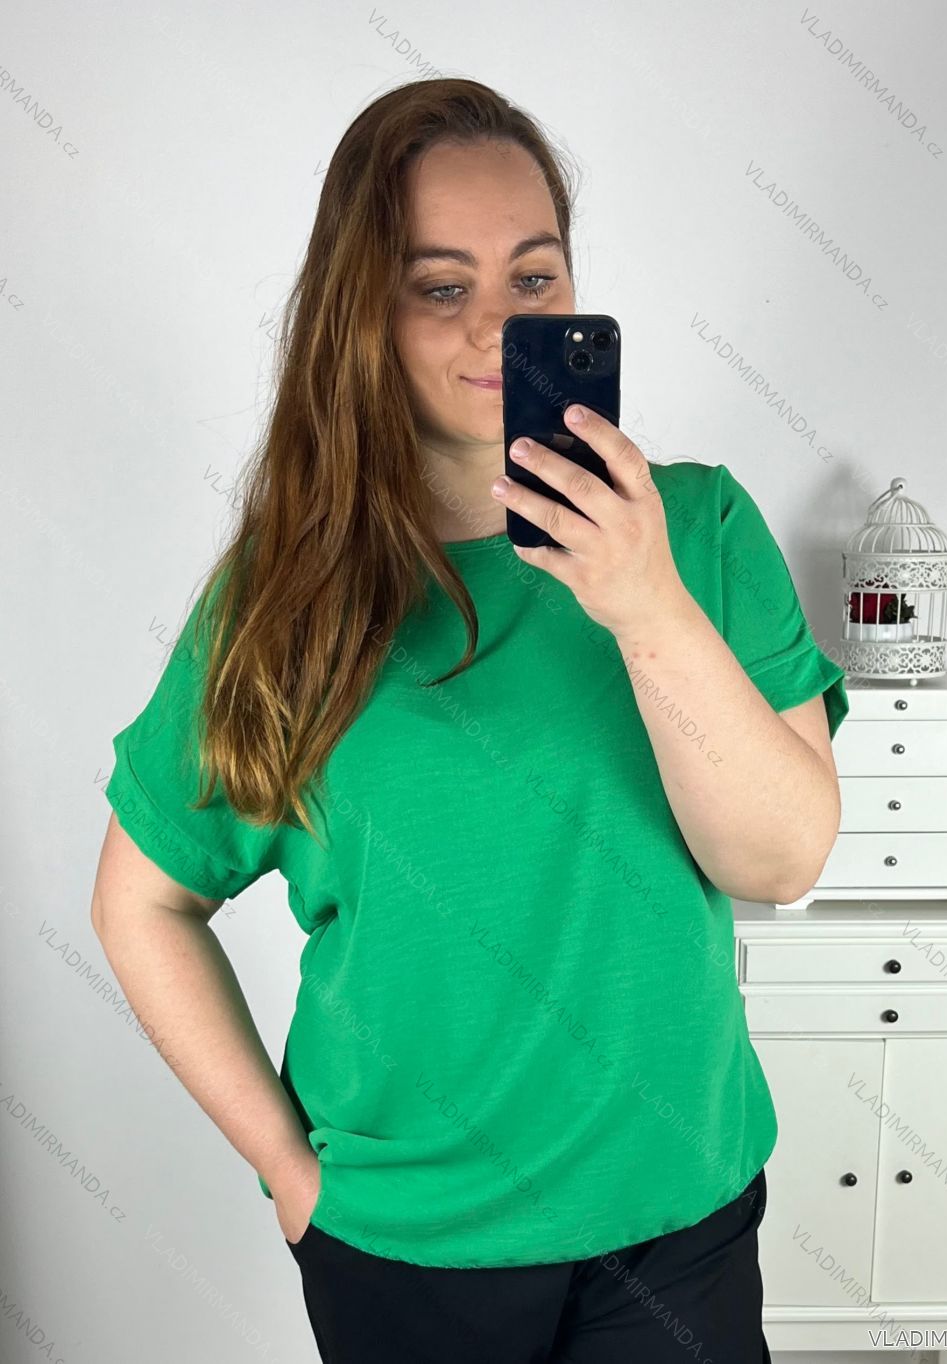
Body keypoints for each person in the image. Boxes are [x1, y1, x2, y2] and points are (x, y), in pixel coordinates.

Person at [90, 76, 848, 1363]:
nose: (499, 324)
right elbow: (142, 901)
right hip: (408, 1247)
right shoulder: (284, 600)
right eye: (441, 287)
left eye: (533, 277)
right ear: (361, 313)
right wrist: (287, 1168)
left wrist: (646, 605)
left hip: (680, 1217)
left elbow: (780, 861)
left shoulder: (702, 530)